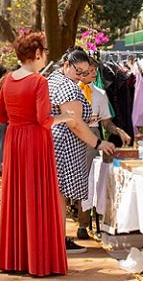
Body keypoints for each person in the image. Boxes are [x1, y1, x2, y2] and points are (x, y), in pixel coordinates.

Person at [0, 30, 76, 276]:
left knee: (16, 197)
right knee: (38, 198)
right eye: (44, 52)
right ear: (37, 53)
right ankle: (38, 261)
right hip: (35, 142)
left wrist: (18, 120)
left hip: (14, 139)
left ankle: (15, 259)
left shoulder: (7, 80)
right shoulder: (39, 81)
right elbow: (43, 119)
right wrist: (63, 117)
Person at [48, 47, 116, 254]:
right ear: (67, 65)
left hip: (56, 142)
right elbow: (75, 123)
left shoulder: (53, 79)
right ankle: (58, 241)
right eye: (79, 72)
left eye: (85, 73)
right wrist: (97, 143)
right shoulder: (67, 87)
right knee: (60, 194)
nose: (82, 76)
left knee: (58, 195)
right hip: (64, 146)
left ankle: (57, 238)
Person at [76, 55, 131, 240]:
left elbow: (106, 122)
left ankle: (102, 219)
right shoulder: (72, 91)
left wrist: (119, 131)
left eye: (94, 71)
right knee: (83, 181)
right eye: (89, 71)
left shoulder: (99, 94)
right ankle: (83, 224)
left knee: (100, 179)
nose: (93, 74)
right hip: (76, 139)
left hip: (96, 138)